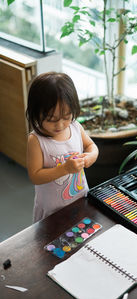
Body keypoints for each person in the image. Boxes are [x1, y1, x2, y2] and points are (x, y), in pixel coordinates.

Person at [26, 72, 99, 222]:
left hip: (80, 200)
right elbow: (35, 176)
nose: (60, 125)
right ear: (36, 113)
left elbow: (91, 146)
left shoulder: (76, 127)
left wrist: (91, 156)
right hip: (52, 210)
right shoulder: (36, 140)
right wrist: (64, 169)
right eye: (51, 119)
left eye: (66, 117)